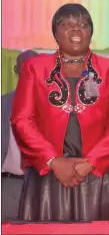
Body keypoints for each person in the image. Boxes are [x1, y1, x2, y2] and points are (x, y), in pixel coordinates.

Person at [10, 3, 109, 221]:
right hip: (48, 175)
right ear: (55, 33)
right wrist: (53, 161)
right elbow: (22, 120)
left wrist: (89, 163)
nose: (76, 29)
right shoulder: (35, 68)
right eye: (67, 24)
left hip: (97, 175)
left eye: (83, 25)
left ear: (90, 33)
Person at [1, 50, 38, 221]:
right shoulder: (3, 104)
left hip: (43, 187)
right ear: (16, 70)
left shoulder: (57, 107)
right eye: (25, 70)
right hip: (9, 187)